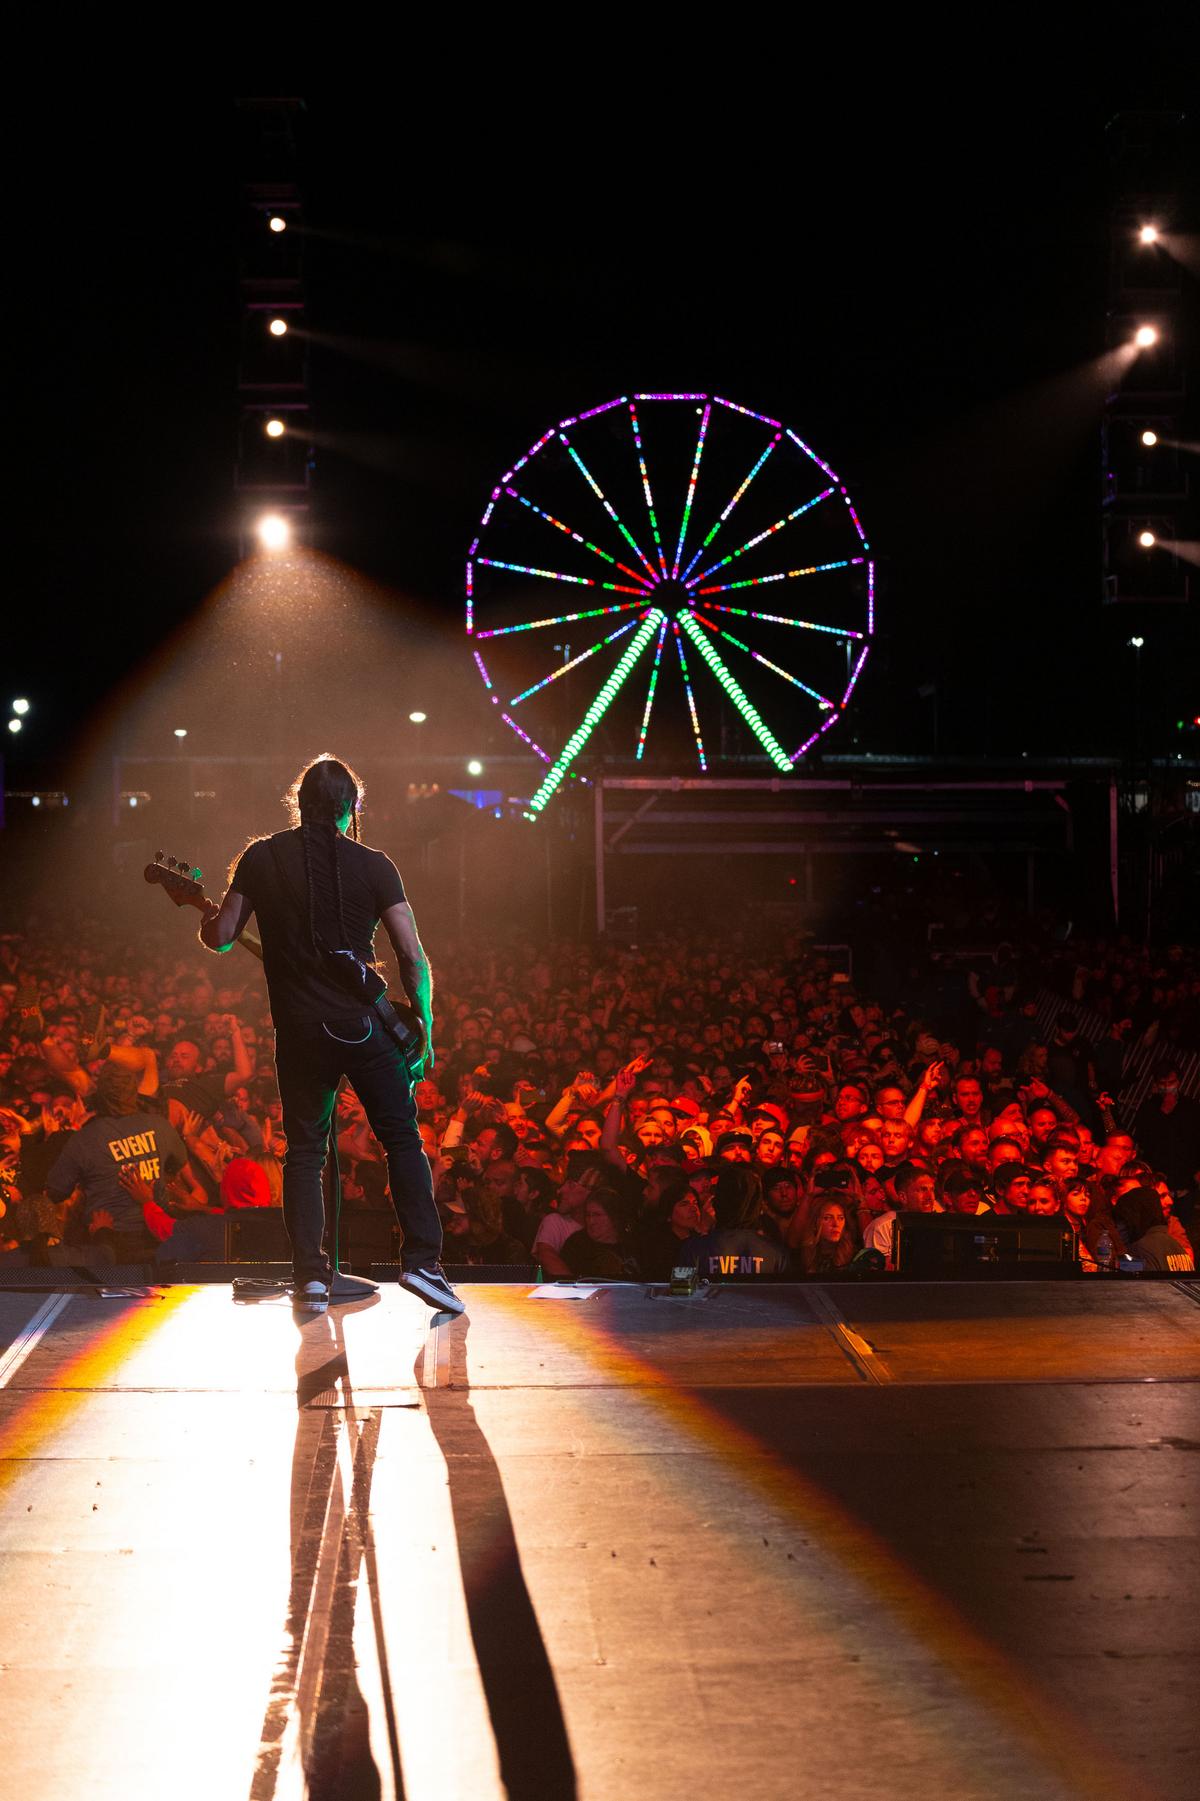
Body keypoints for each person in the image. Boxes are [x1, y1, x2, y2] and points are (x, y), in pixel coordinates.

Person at [199, 753, 460, 1317]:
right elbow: (412, 957)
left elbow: (220, 936)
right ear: (350, 808)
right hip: (363, 1026)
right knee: (401, 1140)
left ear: (299, 803)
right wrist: (425, 1028)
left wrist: (205, 917)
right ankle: (422, 1263)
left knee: (304, 1153)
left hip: (299, 1031)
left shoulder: (261, 856)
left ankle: (311, 1278)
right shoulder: (375, 865)